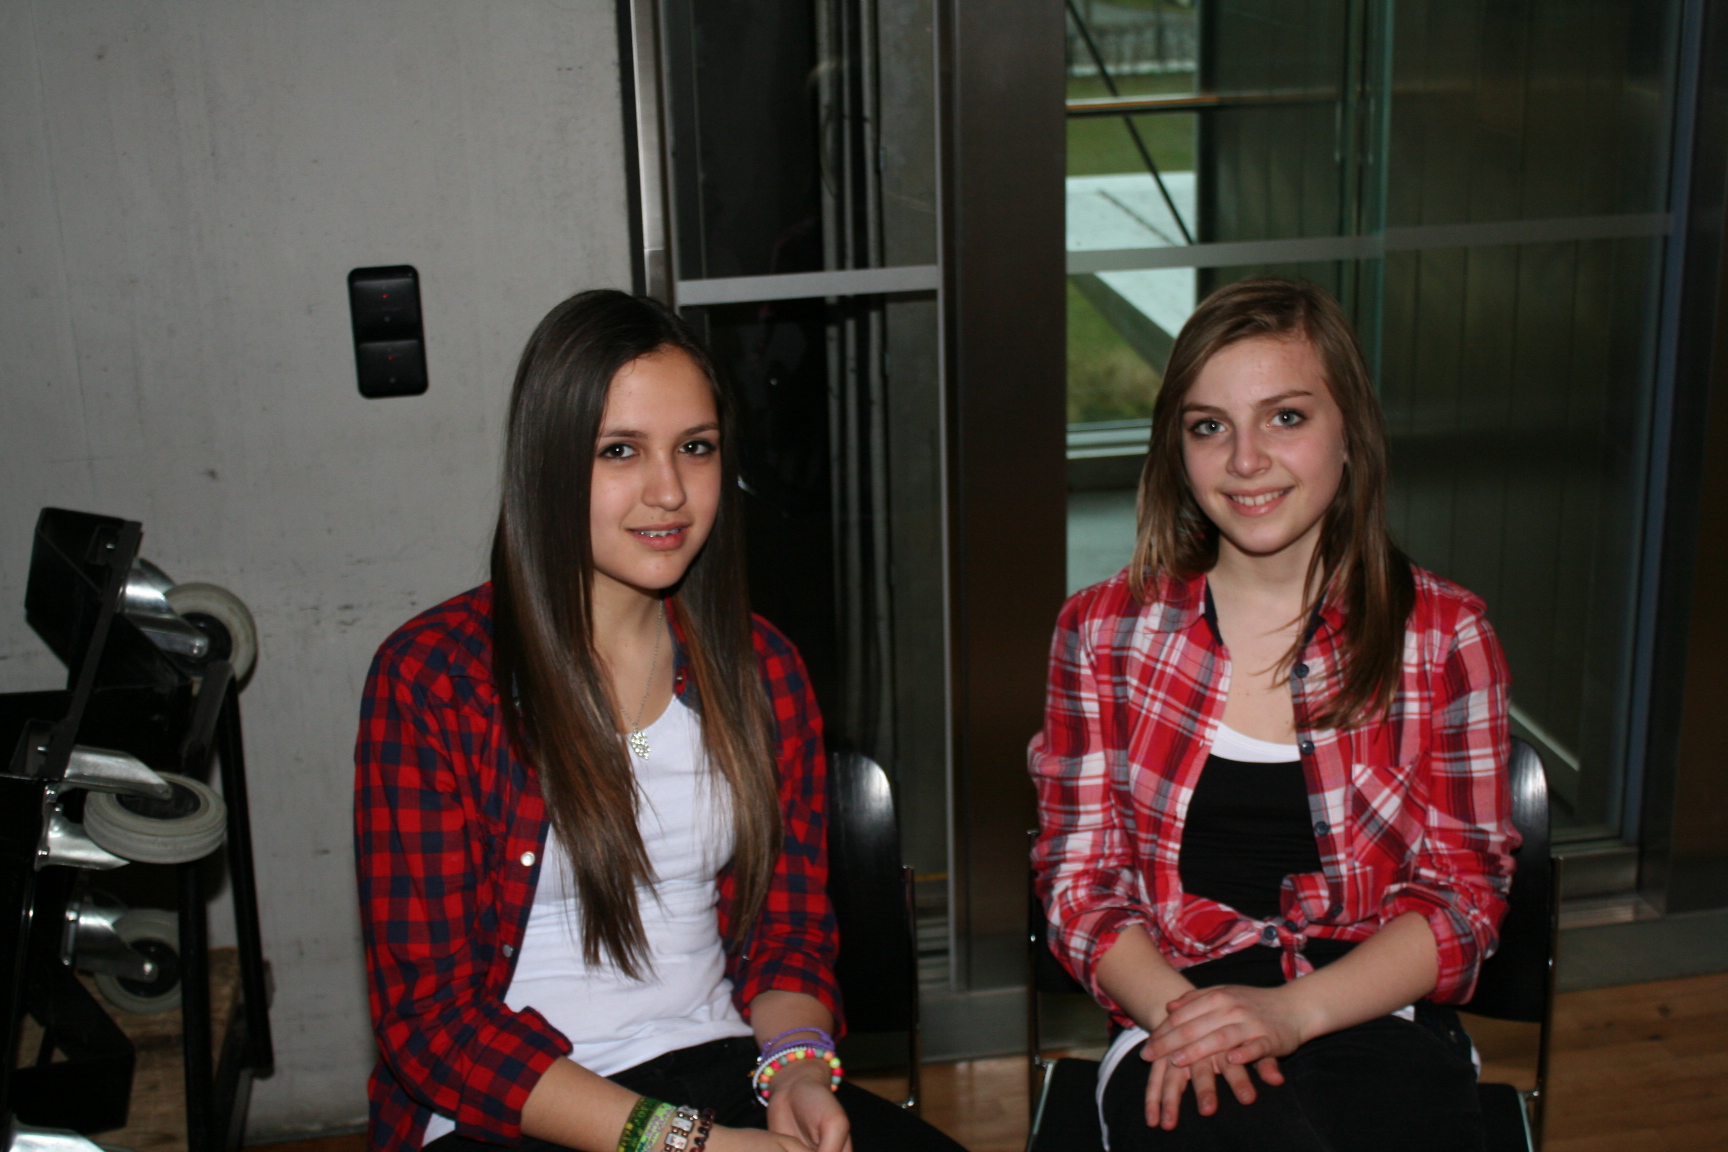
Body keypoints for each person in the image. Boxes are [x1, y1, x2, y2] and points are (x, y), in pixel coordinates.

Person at [355, 290, 964, 1152]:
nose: (670, 490)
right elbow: (433, 1023)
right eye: (620, 451)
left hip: (722, 1067)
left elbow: (787, 930)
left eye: (695, 447)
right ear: (547, 464)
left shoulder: (761, 668)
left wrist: (797, 1068)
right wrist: (686, 1144)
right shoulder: (435, 680)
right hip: (513, 1112)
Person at [1028, 278, 1519, 1151]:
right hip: (1174, 1022)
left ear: (1350, 432)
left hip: (1373, 1011)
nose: (1245, 460)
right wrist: (1192, 1019)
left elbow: (1463, 899)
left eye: (1285, 417)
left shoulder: (1446, 636)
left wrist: (1290, 1013)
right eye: (1209, 426)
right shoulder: (1101, 633)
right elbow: (1081, 887)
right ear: (1176, 450)